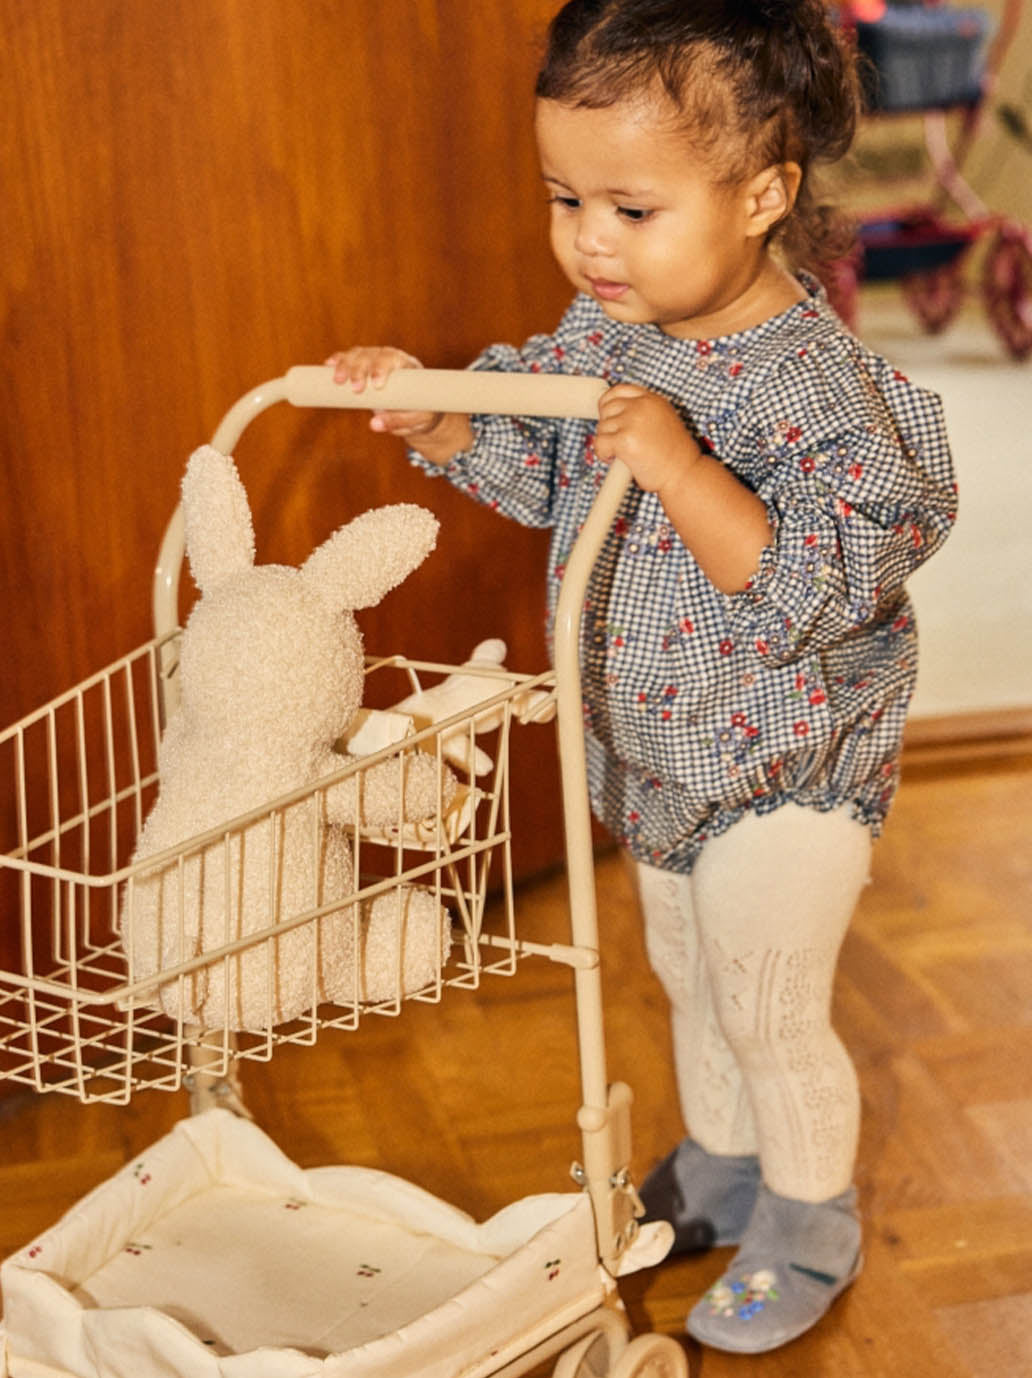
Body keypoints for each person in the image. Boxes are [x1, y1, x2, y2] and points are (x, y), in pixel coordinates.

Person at [326, 0, 956, 1354]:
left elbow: (813, 586)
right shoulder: (608, 328)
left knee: (767, 995)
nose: (588, 240)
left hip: (790, 763)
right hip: (662, 758)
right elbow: (538, 455)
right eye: (566, 197)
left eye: (630, 207)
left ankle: (810, 1214)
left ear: (762, 194)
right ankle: (725, 1163)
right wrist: (439, 410)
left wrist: (682, 465)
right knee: (686, 969)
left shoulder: (819, 386)